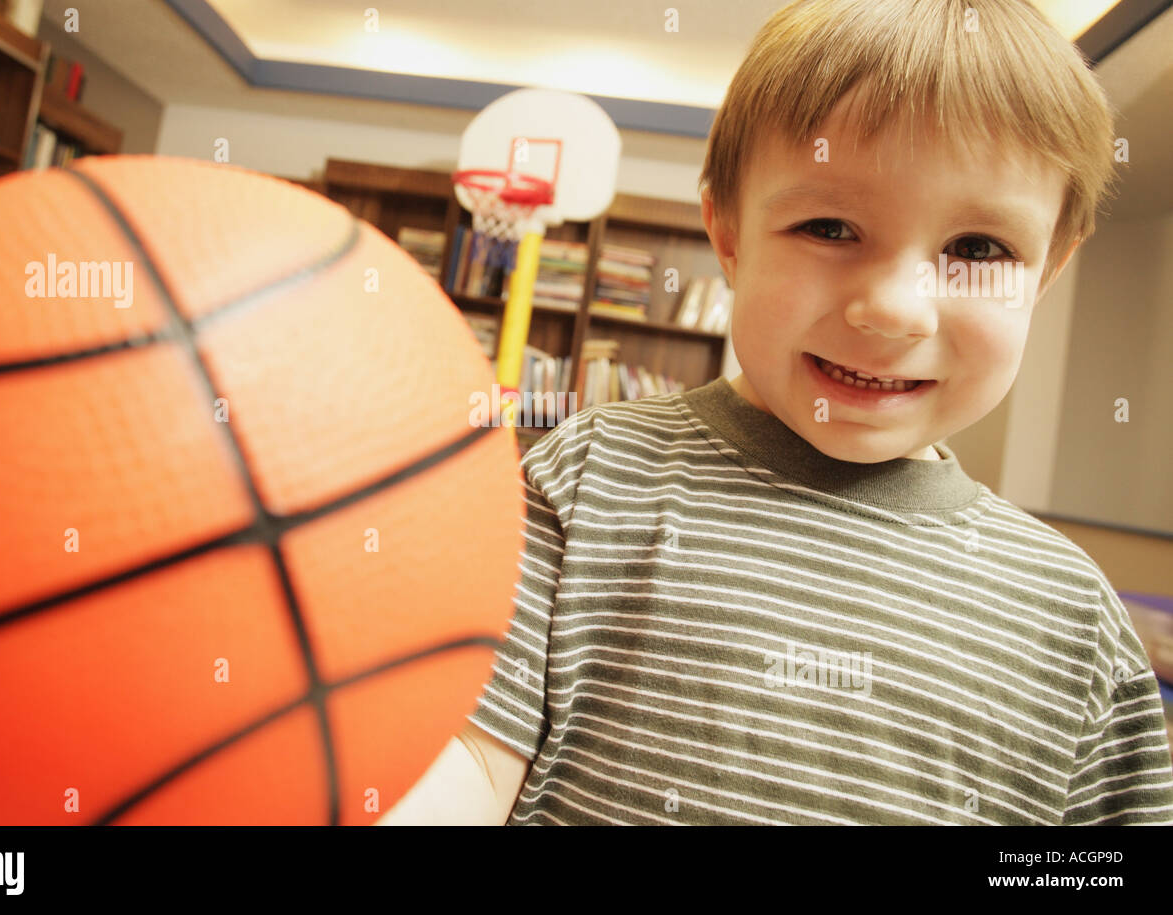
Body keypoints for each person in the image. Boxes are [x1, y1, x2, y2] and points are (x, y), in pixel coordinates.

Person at [379, 0, 1173, 825]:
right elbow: (472, 757)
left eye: (978, 250)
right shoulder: (588, 477)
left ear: (1045, 269)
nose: (896, 309)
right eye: (830, 226)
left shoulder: (1075, 620)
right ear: (727, 233)